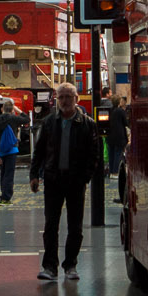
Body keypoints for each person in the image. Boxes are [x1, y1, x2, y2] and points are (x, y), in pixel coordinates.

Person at [30, 82, 100, 281]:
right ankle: (50, 267)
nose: (65, 101)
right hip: (53, 180)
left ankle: (70, 265)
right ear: (56, 100)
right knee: (51, 224)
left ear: (76, 99)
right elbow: (40, 151)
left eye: (69, 96)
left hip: (75, 182)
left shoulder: (87, 124)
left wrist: (84, 178)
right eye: (61, 97)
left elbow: (93, 155)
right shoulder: (50, 122)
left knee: (75, 226)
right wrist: (34, 175)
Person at [0, 101, 27, 204]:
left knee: (3, 173)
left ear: (2, 109)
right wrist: (18, 110)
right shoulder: (13, 119)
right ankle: (6, 197)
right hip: (11, 150)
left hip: (0, 151)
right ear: (11, 110)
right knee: (9, 174)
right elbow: (27, 119)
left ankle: (3, 195)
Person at [106, 95, 129, 175]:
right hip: (119, 136)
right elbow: (126, 123)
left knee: (111, 154)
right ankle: (115, 172)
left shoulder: (109, 110)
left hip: (110, 135)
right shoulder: (121, 111)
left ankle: (111, 171)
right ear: (119, 102)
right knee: (118, 153)